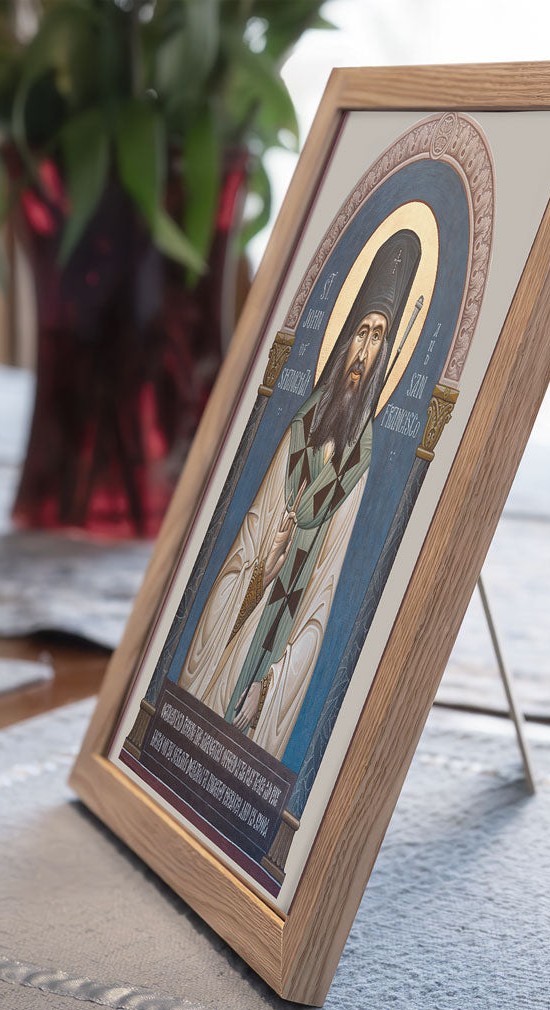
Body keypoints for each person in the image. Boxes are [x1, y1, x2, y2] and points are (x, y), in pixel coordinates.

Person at [177, 229, 422, 758]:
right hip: (235, 643)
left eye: (378, 338)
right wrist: (261, 571)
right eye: (361, 333)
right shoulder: (300, 428)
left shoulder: (358, 462)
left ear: (385, 355)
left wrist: (268, 685)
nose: (364, 351)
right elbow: (242, 553)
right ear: (344, 341)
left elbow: (321, 600)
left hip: (270, 671)